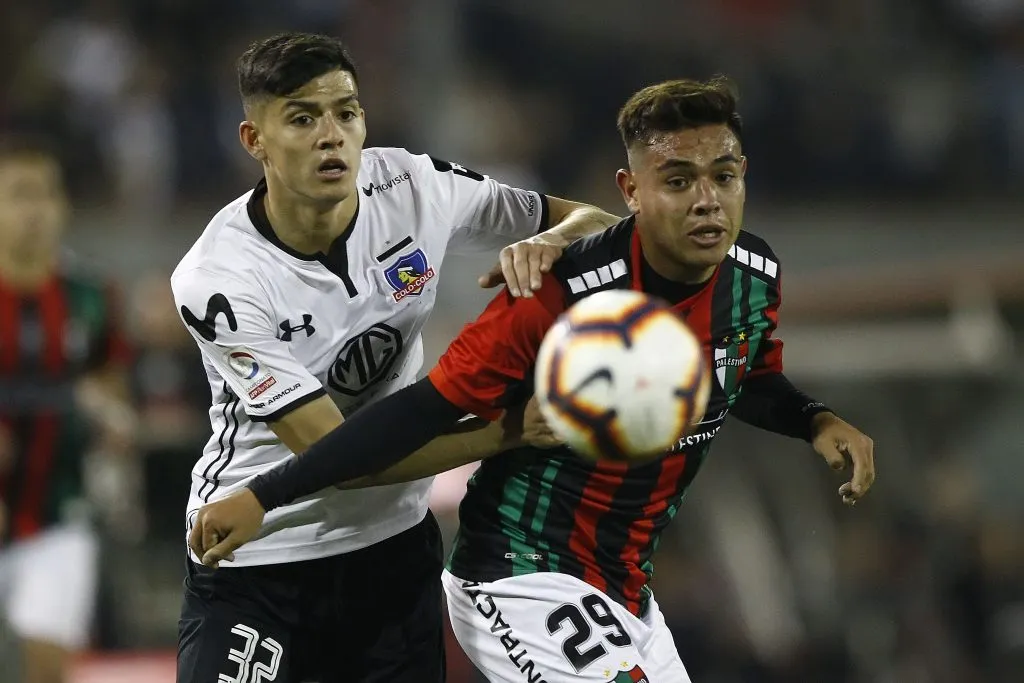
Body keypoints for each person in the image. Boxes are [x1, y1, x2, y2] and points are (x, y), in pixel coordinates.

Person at [189, 77, 877, 681]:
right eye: (677, 182)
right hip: (521, 570)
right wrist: (265, 494)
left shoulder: (753, 276)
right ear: (631, 191)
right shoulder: (556, 295)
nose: (707, 201)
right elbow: (417, 412)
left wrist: (814, 419)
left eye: (723, 178)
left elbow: (746, 370)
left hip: (624, 587)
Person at [171, 32, 619, 683]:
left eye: (346, 113)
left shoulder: (414, 186)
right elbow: (338, 458)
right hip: (260, 558)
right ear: (254, 140)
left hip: (393, 553)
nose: (331, 136)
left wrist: (551, 241)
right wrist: (508, 430)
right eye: (302, 118)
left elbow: (601, 225)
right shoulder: (218, 279)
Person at [0, 138, 134, 683]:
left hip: (59, 511)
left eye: (46, 194)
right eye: (19, 194)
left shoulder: (90, 295)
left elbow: (112, 386)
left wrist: (113, 420)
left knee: (45, 666)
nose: (35, 210)